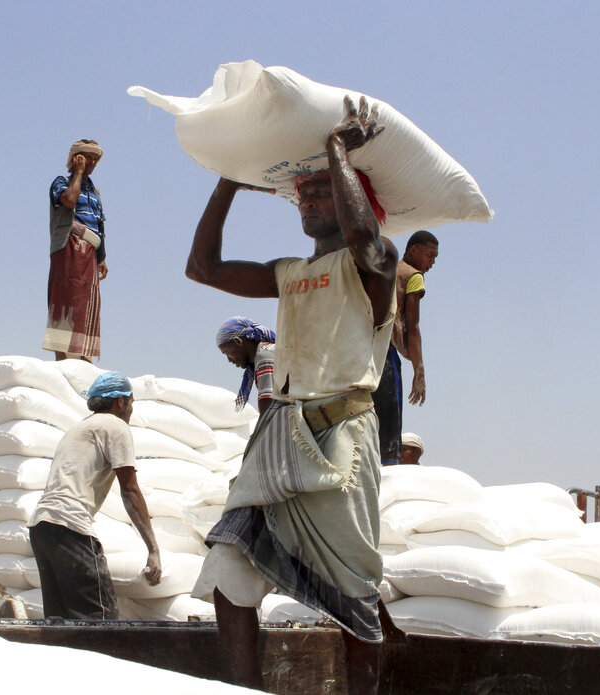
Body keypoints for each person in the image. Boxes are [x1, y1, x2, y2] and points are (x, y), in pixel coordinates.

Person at [186, 95, 401, 694]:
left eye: (324, 191)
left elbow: (363, 240)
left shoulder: (378, 264)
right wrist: (229, 182)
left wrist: (337, 148)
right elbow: (201, 268)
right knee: (229, 561)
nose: (308, 200)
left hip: (341, 447)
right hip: (281, 436)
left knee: (352, 591)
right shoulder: (287, 272)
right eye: (302, 195)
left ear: (354, 197)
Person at [27, 371, 161, 619]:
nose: (131, 409)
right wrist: (153, 549)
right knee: (99, 620)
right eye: (131, 402)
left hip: (41, 527)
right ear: (120, 401)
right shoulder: (115, 426)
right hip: (70, 527)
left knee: (61, 623)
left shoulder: (79, 428)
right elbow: (130, 489)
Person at [373, 231, 438, 465]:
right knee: (391, 420)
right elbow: (413, 326)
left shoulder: (390, 271)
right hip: (385, 349)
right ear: (413, 251)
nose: (432, 262)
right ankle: (389, 465)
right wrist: (419, 371)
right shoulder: (414, 276)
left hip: (365, 347)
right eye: (430, 255)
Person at [43, 139, 109, 362]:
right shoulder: (62, 182)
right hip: (70, 246)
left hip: (90, 252)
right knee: (67, 302)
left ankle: (83, 363)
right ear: (75, 158)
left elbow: (99, 223)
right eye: (86, 157)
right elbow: (69, 201)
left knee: (86, 307)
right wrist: (78, 172)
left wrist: (101, 257)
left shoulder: (94, 190)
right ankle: (63, 362)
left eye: (95, 158)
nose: (91, 161)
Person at [215, 316, 276, 412]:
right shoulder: (269, 352)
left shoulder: (265, 356)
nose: (229, 360)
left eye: (227, 352)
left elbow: (268, 409)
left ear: (238, 341)